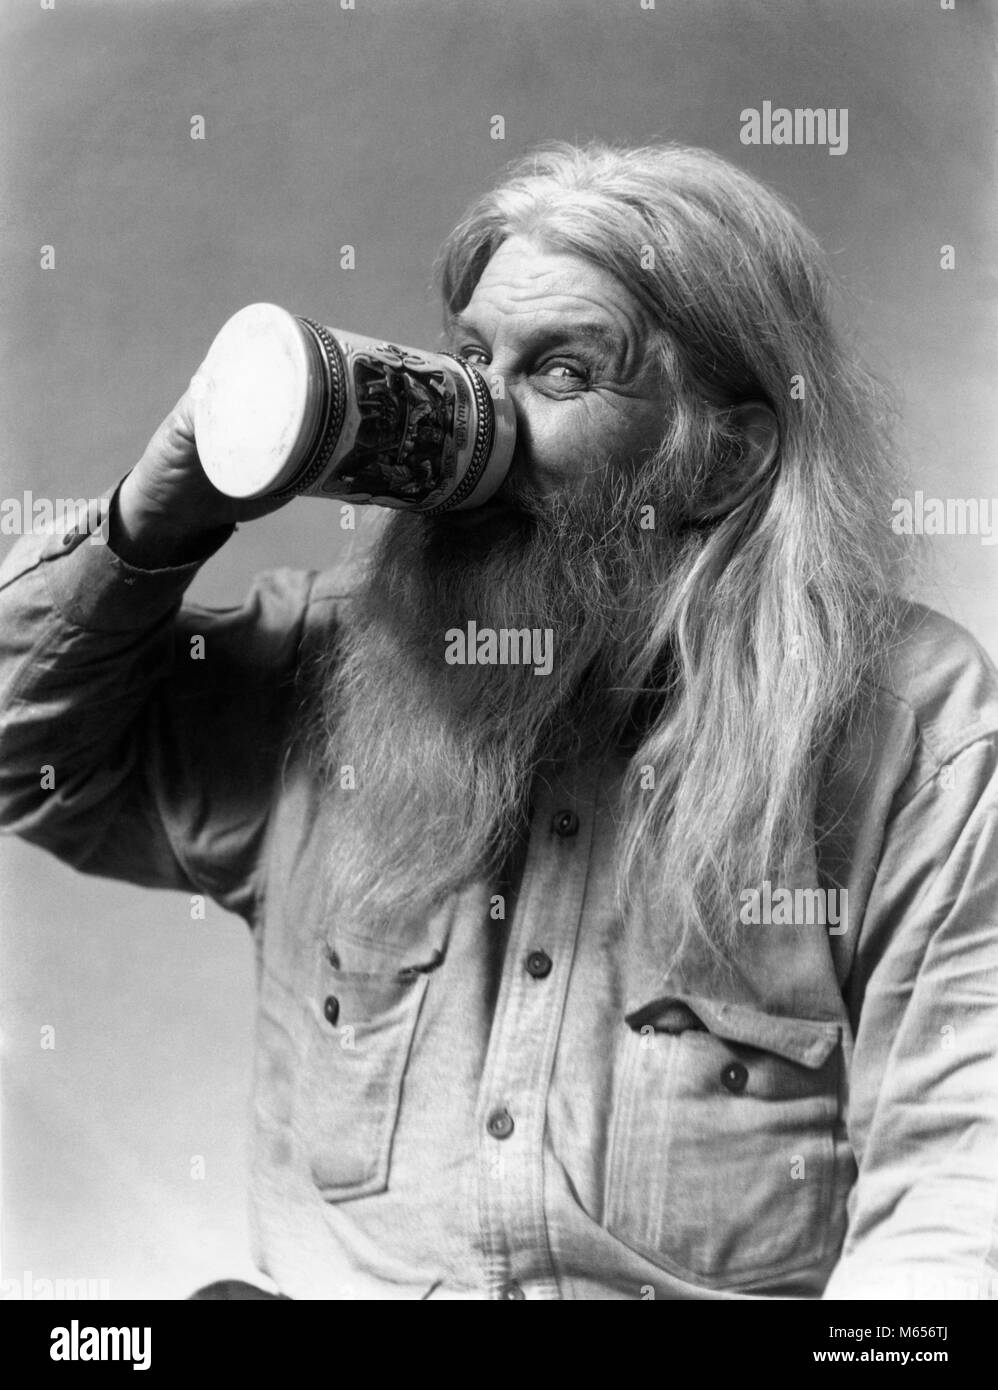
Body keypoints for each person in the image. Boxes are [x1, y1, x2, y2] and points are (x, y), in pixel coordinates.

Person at [1, 142, 996, 1301]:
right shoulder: (330, 665)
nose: (482, 422)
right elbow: (24, 757)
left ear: (722, 458)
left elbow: (955, 1192)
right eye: (472, 358)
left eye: (562, 373)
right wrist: (154, 518)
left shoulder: (907, 728)